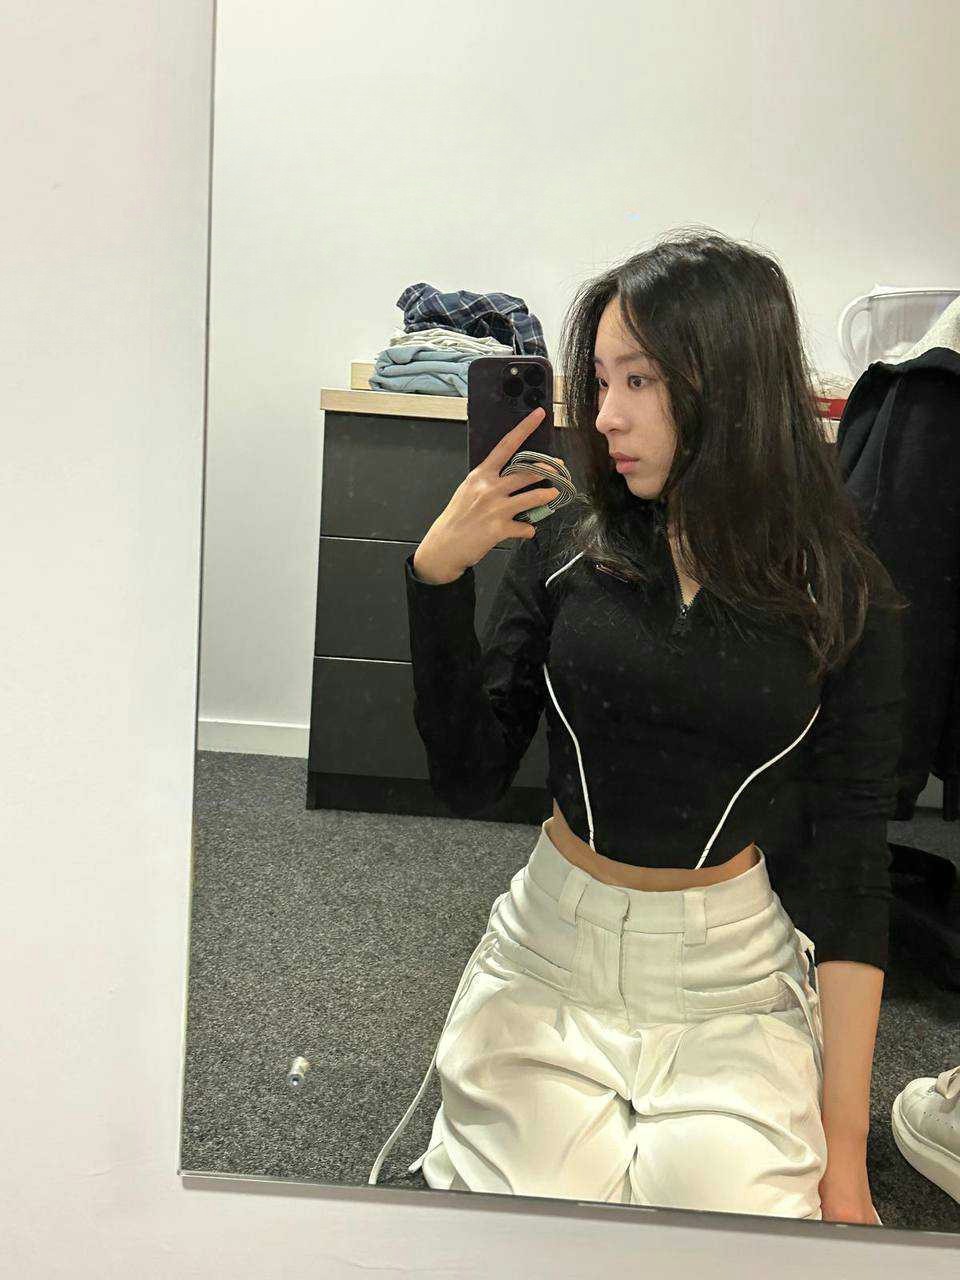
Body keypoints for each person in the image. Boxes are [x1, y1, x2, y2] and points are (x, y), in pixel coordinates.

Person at [369, 228, 906, 1225]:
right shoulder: (571, 544)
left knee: (728, 1229)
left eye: (641, 381)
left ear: (732, 386)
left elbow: (852, 863)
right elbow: (469, 779)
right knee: (526, 1230)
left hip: (731, 981)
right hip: (550, 956)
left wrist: (847, 1156)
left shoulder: (839, 592)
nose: (606, 415)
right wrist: (436, 582)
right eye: (602, 381)